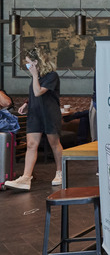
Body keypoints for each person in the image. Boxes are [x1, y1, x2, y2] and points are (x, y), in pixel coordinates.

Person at [5, 46, 63, 191]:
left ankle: (60, 172)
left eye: (28, 63)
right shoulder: (37, 76)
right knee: (31, 144)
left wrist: (35, 75)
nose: (27, 66)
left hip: (49, 114)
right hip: (35, 114)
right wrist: (26, 103)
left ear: (36, 62)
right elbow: (34, 95)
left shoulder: (51, 76)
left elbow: (38, 92)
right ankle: (26, 177)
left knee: (54, 144)